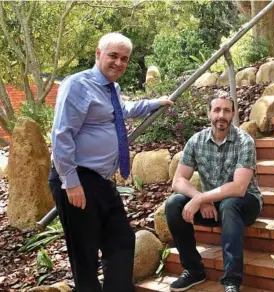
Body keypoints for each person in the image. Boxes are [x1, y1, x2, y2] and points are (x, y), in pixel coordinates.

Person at [49, 32, 173, 292]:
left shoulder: (111, 88)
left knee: (121, 242)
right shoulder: (77, 85)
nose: (119, 63)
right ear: (98, 54)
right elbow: (61, 135)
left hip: (102, 181)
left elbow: (122, 111)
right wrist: (71, 183)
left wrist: (155, 103)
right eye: (113, 56)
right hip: (77, 178)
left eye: (124, 59)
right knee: (84, 256)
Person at [165, 93, 262, 292]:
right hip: (213, 204)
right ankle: (193, 270)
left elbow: (239, 187)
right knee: (174, 204)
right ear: (209, 113)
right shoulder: (196, 141)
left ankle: (232, 281)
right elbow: (178, 180)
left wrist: (202, 197)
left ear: (233, 114)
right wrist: (200, 199)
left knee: (230, 203)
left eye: (226, 110)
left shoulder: (245, 141)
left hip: (245, 202)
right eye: (217, 110)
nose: (221, 115)